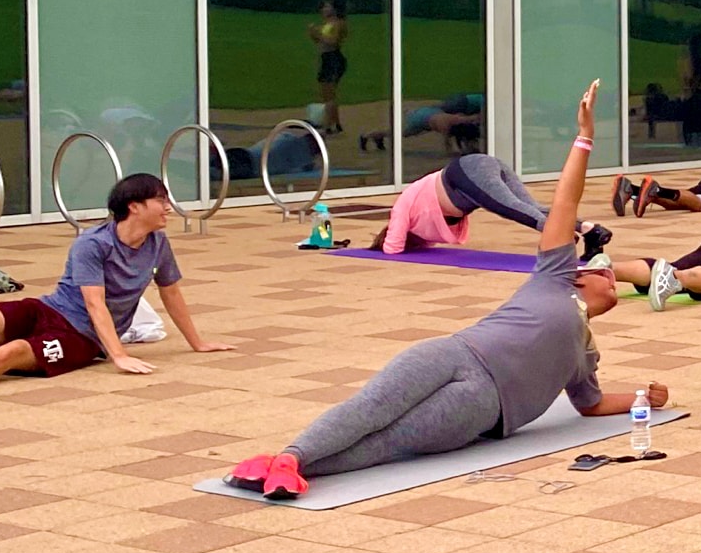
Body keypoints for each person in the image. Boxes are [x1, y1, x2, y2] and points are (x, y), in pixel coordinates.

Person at [224, 82, 663, 500]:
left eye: (609, 275)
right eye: (600, 270)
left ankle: (293, 470)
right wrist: (584, 139)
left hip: (485, 404)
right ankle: (287, 457)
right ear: (578, 276)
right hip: (453, 352)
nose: (608, 274)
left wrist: (645, 396)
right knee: (369, 407)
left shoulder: (586, 354)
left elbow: (593, 404)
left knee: (389, 443)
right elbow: (566, 203)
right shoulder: (553, 273)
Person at [0, 174, 234, 389]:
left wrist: (197, 342)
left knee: (10, 354)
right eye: (161, 200)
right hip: (48, 310)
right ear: (134, 206)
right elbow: (94, 302)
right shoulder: (93, 243)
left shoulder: (158, 243)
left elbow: (171, 293)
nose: (168, 208)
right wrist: (120, 355)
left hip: (82, 338)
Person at [376, 150, 610, 259]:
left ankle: (561, 235)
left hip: (465, 173)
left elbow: (392, 248)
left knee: (513, 209)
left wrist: (377, 247)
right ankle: (590, 230)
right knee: (527, 206)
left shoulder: (402, 207)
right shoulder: (422, 228)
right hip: (476, 168)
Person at [310, 0, 350, 135]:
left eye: (327, 7)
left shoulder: (338, 24)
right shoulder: (328, 24)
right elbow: (320, 42)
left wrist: (318, 34)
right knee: (328, 94)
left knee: (328, 94)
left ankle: (327, 126)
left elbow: (332, 41)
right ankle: (336, 123)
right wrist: (313, 34)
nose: (323, 9)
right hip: (327, 58)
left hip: (333, 59)